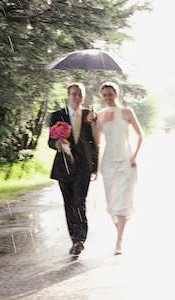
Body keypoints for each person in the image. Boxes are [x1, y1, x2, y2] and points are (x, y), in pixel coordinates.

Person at [48, 82, 98, 256]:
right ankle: (73, 238)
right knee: (68, 204)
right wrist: (58, 143)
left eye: (80, 94)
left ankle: (80, 239)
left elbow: (94, 143)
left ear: (84, 97)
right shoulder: (57, 116)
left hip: (83, 166)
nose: (77, 97)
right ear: (68, 96)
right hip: (63, 167)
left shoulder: (89, 116)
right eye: (74, 94)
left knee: (79, 201)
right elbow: (50, 142)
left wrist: (95, 166)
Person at [94, 81, 143, 255]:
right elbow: (97, 142)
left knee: (122, 200)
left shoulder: (126, 112)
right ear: (102, 96)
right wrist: (93, 122)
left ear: (117, 94)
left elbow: (140, 135)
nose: (108, 98)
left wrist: (134, 155)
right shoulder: (99, 115)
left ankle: (119, 241)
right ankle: (119, 229)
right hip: (108, 162)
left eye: (111, 94)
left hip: (125, 160)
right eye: (105, 95)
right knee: (111, 202)